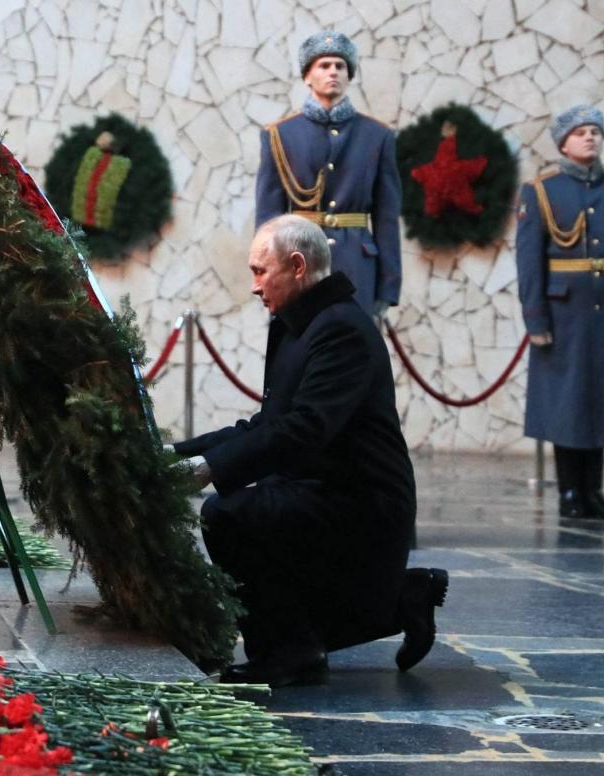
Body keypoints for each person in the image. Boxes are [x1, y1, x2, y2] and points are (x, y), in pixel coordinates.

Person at [174, 215, 447, 687]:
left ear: (298, 265)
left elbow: (306, 428)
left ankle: (289, 653)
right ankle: (400, 598)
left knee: (230, 515)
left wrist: (208, 470)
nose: (255, 286)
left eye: (261, 271)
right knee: (253, 511)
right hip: (319, 487)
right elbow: (266, 424)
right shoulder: (299, 323)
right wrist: (177, 452)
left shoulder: (340, 329)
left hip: (364, 501)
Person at [516, 105, 604, 520]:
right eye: (580, 132)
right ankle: (570, 493)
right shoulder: (541, 191)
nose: (590, 137)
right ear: (563, 142)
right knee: (567, 404)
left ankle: (593, 492)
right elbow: (529, 261)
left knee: (603, 402)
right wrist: (535, 319)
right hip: (563, 315)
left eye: (595, 131)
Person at [255, 31, 402, 315]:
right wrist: (266, 277)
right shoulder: (280, 135)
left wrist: (388, 287)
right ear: (307, 76)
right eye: (324, 65)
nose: (333, 71)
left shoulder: (377, 136)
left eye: (340, 66)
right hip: (297, 265)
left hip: (358, 267)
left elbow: (386, 219)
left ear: (349, 76)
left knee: (355, 354)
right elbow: (268, 218)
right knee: (299, 353)